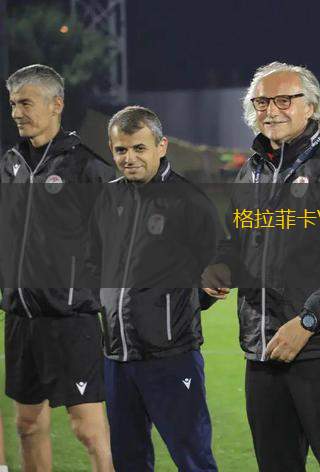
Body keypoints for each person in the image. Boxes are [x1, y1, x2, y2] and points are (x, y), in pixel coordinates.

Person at [203, 62, 320, 472]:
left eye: (284, 100)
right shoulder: (251, 171)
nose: (271, 110)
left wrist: (308, 321)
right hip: (262, 351)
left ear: (311, 107)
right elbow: (236, 242)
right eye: (262, 102)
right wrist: (219, 268)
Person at [87, 106, 219, 471]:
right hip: (117, 357)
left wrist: (185, 304)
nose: (129, 158)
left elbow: (219, 263)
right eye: (121, 150)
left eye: (139, 148)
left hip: (171, 355)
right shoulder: (107, 199)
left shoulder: (189, 200)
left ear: (161, 146)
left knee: (193, 458)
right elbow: (93, 264)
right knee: (129, 460)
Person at [0, 64, 113, 472]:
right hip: (20, 318)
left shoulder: (86, 166)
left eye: (26, 103)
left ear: (56, 104)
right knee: (28, 425)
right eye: (13, 104)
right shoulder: (10, 163)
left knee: (88, 431)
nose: (17, 112)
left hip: (70, 319)